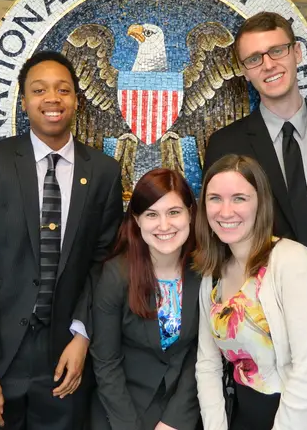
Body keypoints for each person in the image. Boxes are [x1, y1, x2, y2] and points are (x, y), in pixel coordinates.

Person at [0, 51, 123, 430]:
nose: (52, 99)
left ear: (77, 99)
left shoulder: (104, 172)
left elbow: (103, 263)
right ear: (24, 102)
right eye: (39, 90)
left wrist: (82, 336)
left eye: (63, 89)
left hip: (64, 362)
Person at [203, 12, 307, 344]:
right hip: (264, 328)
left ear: (297, 52)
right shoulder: (225, 143)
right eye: (254, 58)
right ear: (245, 72)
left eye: (277, 51)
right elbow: (223, 242)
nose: (269, 64)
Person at [194, 154, 307, 430]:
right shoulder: (212, 273)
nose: (225, 211)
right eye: (215, 198)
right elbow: (207, 364)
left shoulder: (292, 262)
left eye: (239, 198)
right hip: (246, 415)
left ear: (261, 204)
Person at [90, 168, 201, 430]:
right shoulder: (116, 275)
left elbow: (202, 354)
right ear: (137, 221)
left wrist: (175, 420)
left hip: (184, 409)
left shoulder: (206, 271)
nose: (164, 226)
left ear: (190, 213)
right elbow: (106, 362)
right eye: (152, 214)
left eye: (174, 212)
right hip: (122, 411)